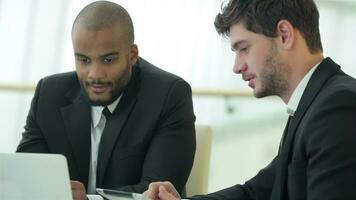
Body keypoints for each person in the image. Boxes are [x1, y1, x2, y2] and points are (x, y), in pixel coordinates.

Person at [144, 0, 356, 199]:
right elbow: (255, 192)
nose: (237, 67)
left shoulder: (337, 106)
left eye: (244, 49)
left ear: (284, 34)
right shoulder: (313, 104)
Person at [16, 1, 196, 200]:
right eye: (84, 60)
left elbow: (157, 194)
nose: (95, 74)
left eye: (108, 60)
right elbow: (25, 179)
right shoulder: (49, 94)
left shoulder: (168, 95)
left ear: (132, 55)